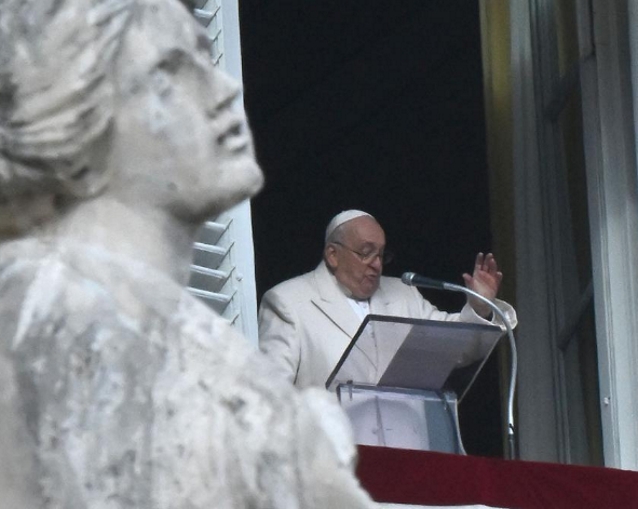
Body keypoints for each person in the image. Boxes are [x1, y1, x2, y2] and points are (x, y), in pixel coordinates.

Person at [0, 1, 376, 507]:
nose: (225, 91)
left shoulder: (191, 352)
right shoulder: (55, 318)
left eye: (206, 58)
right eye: (170, 71)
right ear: (71, 118)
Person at [258, 210, 518, 389]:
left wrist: (479, 306)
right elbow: (272, 392)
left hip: (405, 451)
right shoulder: (289, 302)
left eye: (382, 255)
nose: (377, 265)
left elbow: (454, 346)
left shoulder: (403, 294)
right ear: (333, 254)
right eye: (366, 253)